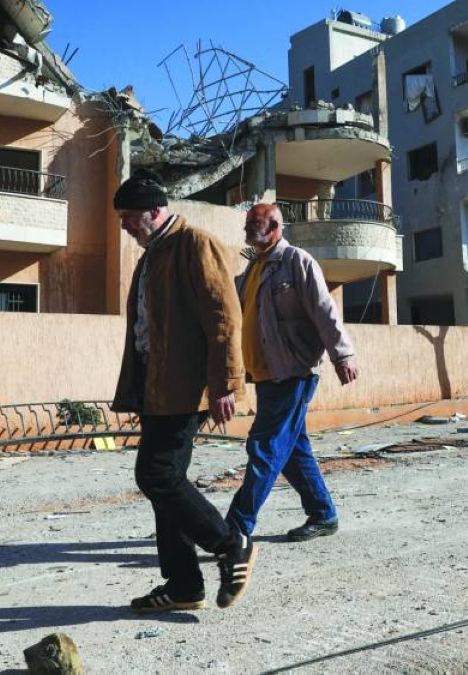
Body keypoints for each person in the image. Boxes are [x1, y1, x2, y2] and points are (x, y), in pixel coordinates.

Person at [111, 169, 257, 614]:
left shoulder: (196, 243)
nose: (124, 226)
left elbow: (223, 318)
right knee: (164, 485)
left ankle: (232, 545)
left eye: (131, 217)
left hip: (186, 387)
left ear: (156, 212)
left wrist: (226, 384)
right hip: (159, 388)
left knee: (156, 475)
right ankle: (184, 585)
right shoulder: (153, 253)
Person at [226, 203, 359, 543]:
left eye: (252, 223)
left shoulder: (296, 261)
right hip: (265, 373)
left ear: (274, 225)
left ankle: (234, 528)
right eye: (246, 223)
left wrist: (342, 354)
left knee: (266, 446)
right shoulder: (254, 267)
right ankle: (323, 514)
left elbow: (323, 308)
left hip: (294, 370)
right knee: (291, 449)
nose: (246, 228)